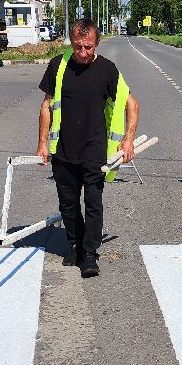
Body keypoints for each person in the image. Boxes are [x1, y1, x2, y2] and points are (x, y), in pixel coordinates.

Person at [37, 19, 138, 278]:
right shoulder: (57, 66)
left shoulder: (107, 69)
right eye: (78, 47)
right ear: (71, 42)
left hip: (95, 148)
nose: (82, 53)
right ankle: (75, 246)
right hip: (63, 149)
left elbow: (132, 105)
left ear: (97, 43)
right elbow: (46, 106)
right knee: (68, 205)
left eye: (88, 47)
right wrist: (42, 144)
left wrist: (128, 139)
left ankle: (90, 253)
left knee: (93, 202)